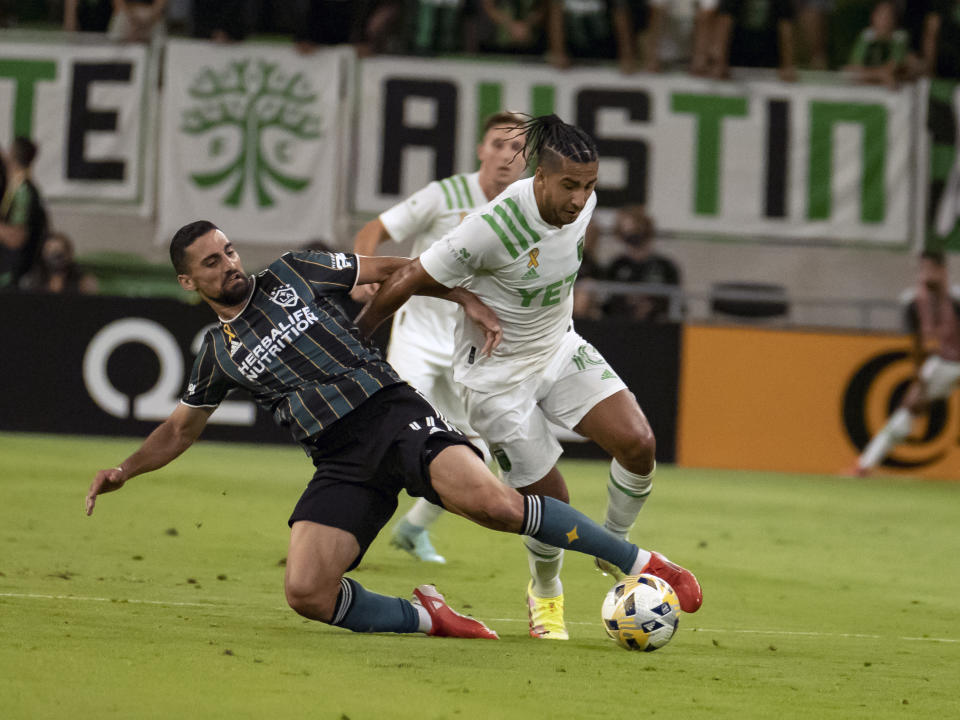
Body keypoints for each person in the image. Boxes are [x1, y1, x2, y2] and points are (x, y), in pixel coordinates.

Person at [84, 220, 702, 640]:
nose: (229, 265)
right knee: (306, 592)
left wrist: (465, 299)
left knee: (492, 505)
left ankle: (644, 562)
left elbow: (400, 269)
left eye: (229, 252)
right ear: (189, 283)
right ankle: (430, 620)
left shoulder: (297, 272)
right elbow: (178, 431)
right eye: (211, 263)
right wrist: (124, 471)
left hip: (392, 414)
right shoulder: (215, 356)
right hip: (338, 460)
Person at [356, 114, 698, 640]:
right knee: (550, 505)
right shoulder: (489, 228)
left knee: (638, 443)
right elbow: (408, 277)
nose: (581, 199)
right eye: (569, 186)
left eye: (589, 186)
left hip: (559, 349)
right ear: (539, 177)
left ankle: (615, 549)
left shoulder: (582, 206)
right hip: (495, 381)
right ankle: (545, 591)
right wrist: (358, 338)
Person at [350, 111, 529, 564]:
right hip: (416, 333)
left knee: (477, 450)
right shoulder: (445, 194)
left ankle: (412, 528)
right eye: (498, 144)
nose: (506, 155)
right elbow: (378, 228)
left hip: (467, 343)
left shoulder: (525, 210)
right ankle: (344, 525)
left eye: (517, 147)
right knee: (397, 432)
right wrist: (362, 267)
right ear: (481, 150)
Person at [854, 250, 960, 476]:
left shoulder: (956, 299)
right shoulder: (913, 302)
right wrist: (920, 380)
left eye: (930, 268)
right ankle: (865, 465)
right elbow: (917, 346)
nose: (925, 274)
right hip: (944, 362)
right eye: (922, 269)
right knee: (908, 407)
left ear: (943, 271)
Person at [603, 205, 681, 322]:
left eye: (636, 228)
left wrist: (650, 306)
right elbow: (607, 301)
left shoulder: (665, 266)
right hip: (619, 326)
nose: (632, 234)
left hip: (657, 327)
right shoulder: (615, 266)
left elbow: (674, 301)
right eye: (627, 230)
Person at [707, 0, 798, 81]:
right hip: (737, 52)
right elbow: (725, 23)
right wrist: (719, 62)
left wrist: (787, 65)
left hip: (768, 54)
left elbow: (785, 29)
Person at [0, 137, 48, 290]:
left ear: (11, 155)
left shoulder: (23, 191)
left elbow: (16, 237)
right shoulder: (14, 187)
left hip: (14, 276)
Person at [843, 1, 909, 89]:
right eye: (881, 15)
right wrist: (879, 75)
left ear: (895, 18)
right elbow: (853, 66)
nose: (884, 20)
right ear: (873, 16)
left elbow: (892, 68)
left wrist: (865, 74)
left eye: (888, 16)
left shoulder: (899, 38)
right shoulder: (866, 36)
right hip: (871, 80)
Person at [19, 231, 98, 294]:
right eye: (50, 252)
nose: (55, 258)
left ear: (68, 254)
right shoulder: (31, 281)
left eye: (59, 253)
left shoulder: (83, 281)